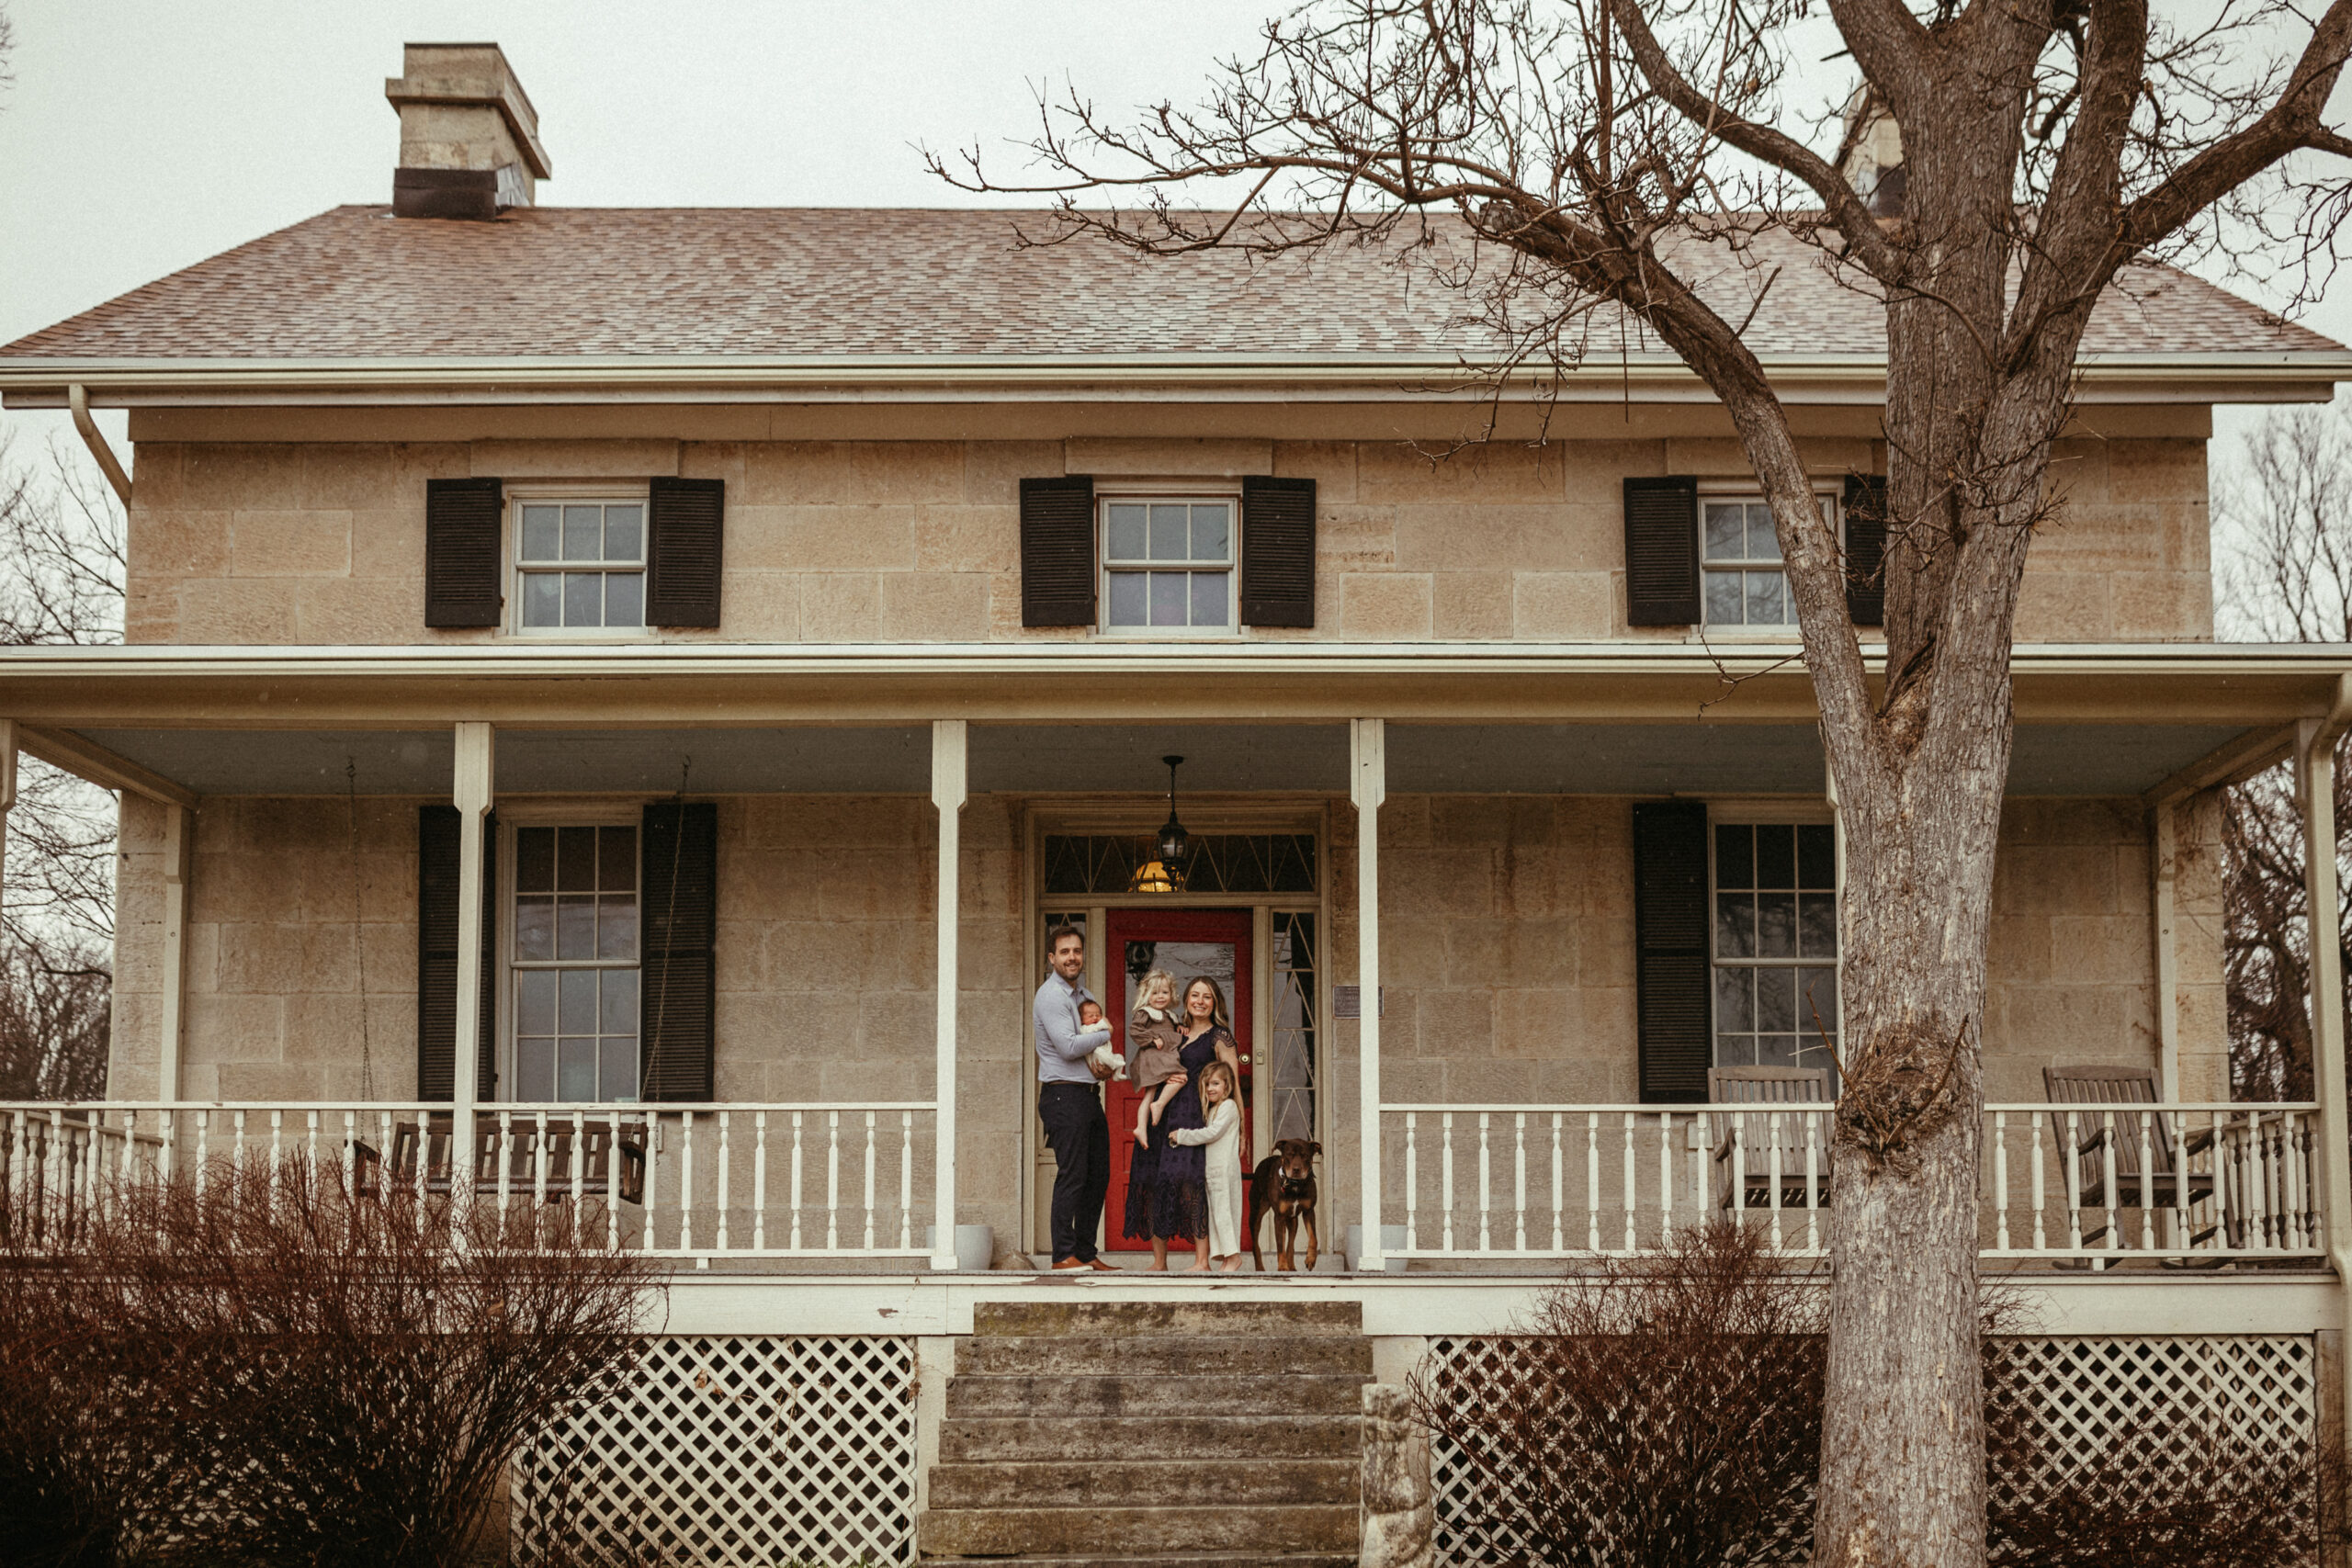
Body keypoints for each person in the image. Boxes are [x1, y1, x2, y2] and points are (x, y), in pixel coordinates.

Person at [1125, 973, 1244, 1271]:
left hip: (1192, 1116)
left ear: (1214, 1001)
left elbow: (1234, 1085)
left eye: (1206, 996)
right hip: (1160, 1117)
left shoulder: (1220, 1037)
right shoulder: (1174, 1029)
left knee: (1191, 1186)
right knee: (1153, 1184)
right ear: (1186, 1000)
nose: (1200, 1001)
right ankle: (1159, 1261)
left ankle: (1202, 1261)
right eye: (1194, 995)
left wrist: (1241, 1128)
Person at [1033, 922, 1116, 1271]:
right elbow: (1068, 1047)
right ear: (1052, 958)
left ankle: (1084, 1251)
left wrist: (1104, 1065)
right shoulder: (1051, 996)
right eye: (1064, 952)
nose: (1072, 957)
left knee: (1098, 1174)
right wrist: (1106, 1033)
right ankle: (1061, 1255)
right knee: (1072, 1174)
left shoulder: (1083, 997)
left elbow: (1087, 1047)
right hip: (1063, 1096)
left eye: (1077, 951)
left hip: (1087, 1095)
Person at [1171, 1058, 1243, 1271]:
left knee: (1225, 1213)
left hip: (1224, 1170)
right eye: (1207, 1084)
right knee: (1216, 1215)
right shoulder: (1213, 1109)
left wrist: (1182, 1135)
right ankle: (1225, 1257)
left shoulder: (1229, 1106)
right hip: (1213, 1171)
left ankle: (1234, 1257)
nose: (1210, 1088)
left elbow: (1213, 1134)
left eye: (1215, 1084)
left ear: (1227, 1086)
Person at [1125, 970, 1184, 1150]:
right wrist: (1152, 1039)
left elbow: (1172, 1031)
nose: (1160, 997)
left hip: (1161, 1057)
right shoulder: (1146, 1013)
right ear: (1146, 995)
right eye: (1155, 993)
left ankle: (1141, 1127)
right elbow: (1135, 1030)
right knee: (1182, 1077)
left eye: (1164, 992)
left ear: (1171, 994)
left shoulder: (1169, 1015)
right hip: (1154, 1056)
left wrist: (1181, 1028)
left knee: (1149, 1093)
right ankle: (1159, 1105)